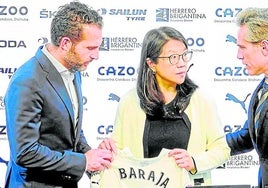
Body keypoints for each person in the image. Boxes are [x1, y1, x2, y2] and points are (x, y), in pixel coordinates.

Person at [99, 26, 230, 186]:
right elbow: (118, 151)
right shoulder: (129, 102)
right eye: (173, 57)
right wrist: (107, 150)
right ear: (151, 63)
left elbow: (222, 150)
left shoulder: (201, 100)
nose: (182, 63)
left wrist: (194, 162)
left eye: (184, 55)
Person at [4, 1, 113, 188]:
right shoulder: (27, 80)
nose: (97, 56)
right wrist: (83, 161)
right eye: (90, 48)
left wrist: (94, 156)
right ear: (65, 43)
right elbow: (25, 152)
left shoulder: (74, 69)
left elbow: (69, 131)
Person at [225, 7, 268, 188]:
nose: (238, 55)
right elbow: (247, 137)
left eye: (242, 47)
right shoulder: (262, 89)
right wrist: (202, 144)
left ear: (265, 47)